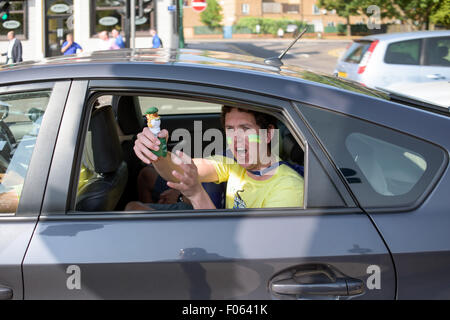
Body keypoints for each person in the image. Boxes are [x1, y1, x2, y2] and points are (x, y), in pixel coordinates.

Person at [127, 106, 304, 211]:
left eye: (245, 129)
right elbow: (179, 170)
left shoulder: (289, 188)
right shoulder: (233, 164)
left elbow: (243, 252)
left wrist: (196, 195)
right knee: (132, 209)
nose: (236, 139)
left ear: (268, 135)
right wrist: (157, 153)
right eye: (230, 129)